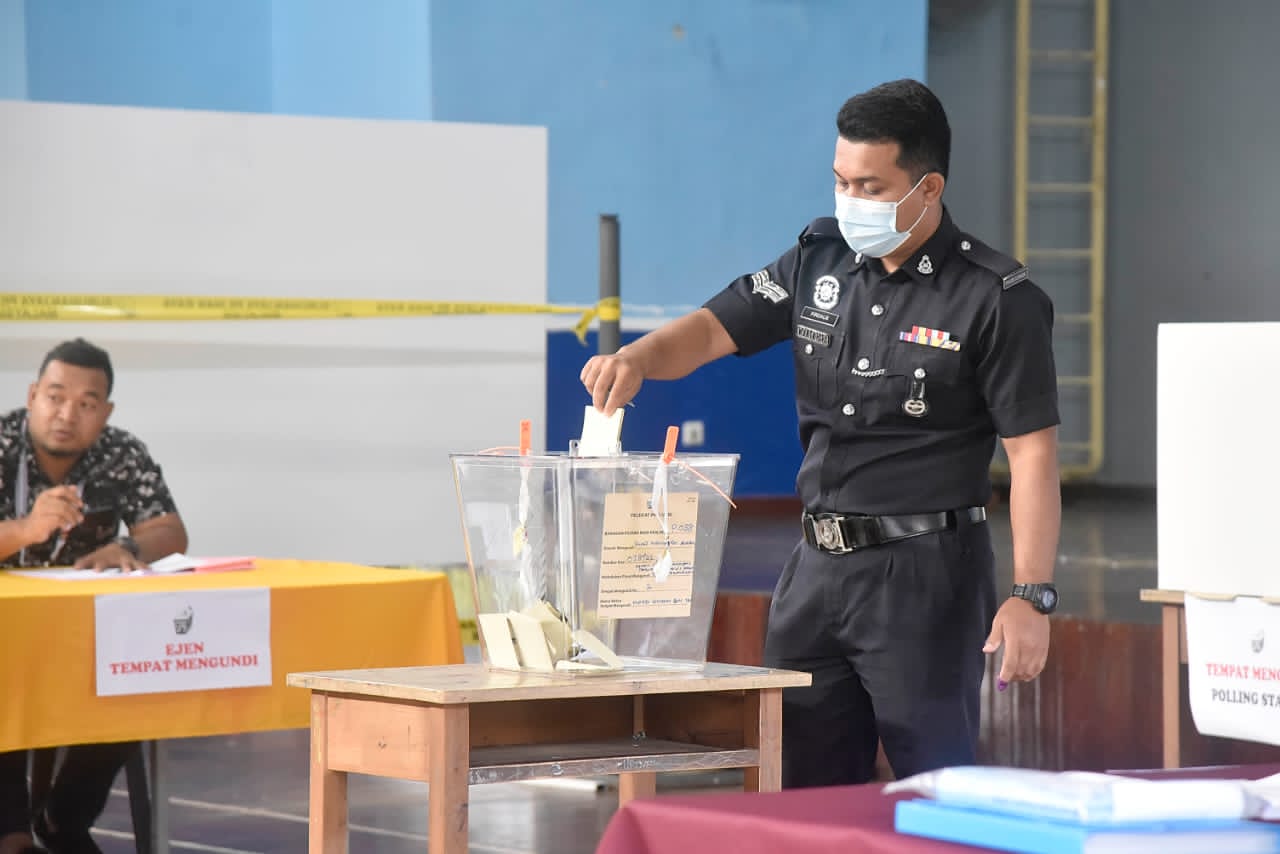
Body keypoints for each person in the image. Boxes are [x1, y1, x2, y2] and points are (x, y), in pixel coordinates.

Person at [581, 79, 1061, 788]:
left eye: (870, 186)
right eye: (841, 181)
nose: (851, 201)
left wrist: (1032, 595)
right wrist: (639, 359)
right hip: (815, 570)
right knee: (803, 783)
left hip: (923, 574)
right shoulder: (819, 258)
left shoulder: (994, 298)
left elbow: (1033, 456)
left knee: (934, 786)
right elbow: (717, 328)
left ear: (927, 189)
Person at [0, 338, 188, 853]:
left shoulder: (121, 452)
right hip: (7, 638)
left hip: (83, 635)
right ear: (33, 393)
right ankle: (11, 831)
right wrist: (25, 530)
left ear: (105, 412)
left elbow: (170, 531)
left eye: (86, 404)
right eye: (56, 397)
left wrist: (125, 545)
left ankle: (63, 816)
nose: (67, 414)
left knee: (145, 664)